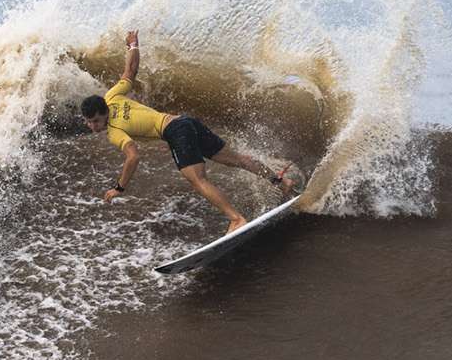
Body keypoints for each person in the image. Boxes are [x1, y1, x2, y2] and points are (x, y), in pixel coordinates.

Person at [81, 30, 296, 235]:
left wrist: (119, 187)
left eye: (96, 121)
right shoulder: (111, 96)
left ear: (104, 112)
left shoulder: (114, 131)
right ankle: (282, 182)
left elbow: (133, 156)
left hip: (175, 131)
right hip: (185, 121)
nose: (93, 126)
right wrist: (133, 45)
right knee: (237, 159)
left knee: (198, 180)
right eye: (89, 122)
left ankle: (236, 219)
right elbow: (131, 70)